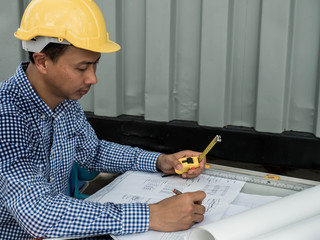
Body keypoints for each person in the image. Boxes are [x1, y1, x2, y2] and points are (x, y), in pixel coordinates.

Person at [0, 0, 206, 239]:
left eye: (95, 65)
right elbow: (40, 214)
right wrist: (152, 215)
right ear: (42, 61)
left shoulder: (63, 101)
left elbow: (93, 152)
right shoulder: (7, 117)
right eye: (82, 68)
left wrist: (160, 161)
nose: (93, 78)